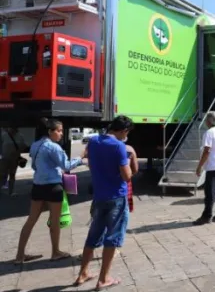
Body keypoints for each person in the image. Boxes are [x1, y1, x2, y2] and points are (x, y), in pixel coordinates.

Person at [75, 116, 133, 290]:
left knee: (93, 235)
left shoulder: (93, 142)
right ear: (123, 131)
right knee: (113, 237)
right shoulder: (119, 146)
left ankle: (82, 273)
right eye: (127, 133)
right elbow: (127, 176)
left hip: (99, 195)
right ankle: (103, 278)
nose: (126, 136)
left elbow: (91, 164)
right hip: (116, 196)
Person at [15, 118, 83, 264]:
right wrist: (81, 158)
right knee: (54, 221)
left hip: (37, 186)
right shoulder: (54, 147)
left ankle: (19, 256)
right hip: (53, 187)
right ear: (50, 132)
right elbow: (66, 165)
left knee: (30, 221)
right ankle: (55, 252)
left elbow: (34, 167)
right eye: (58, 131)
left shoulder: (35, 145)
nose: (60, 134)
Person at [194, 111, 215, 225]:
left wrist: (199, 166)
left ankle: (207, 215)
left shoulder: (208, 133)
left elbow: (207, 151)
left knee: (210, 192)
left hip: (213, 166)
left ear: (209, 121)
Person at [0, 125, 28, 197]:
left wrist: (18, 151)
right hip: (4, 159)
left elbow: (24, 146)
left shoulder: (20, 136)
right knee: (2, 175)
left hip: (14, 159)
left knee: (12, 175)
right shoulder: (3, 136)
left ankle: (11, 191)